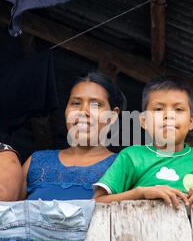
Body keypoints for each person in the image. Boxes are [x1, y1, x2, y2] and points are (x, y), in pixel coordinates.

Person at [93, 75, 193, 210]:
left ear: (191, 121)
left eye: (179, 109)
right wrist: (141, 193)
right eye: (158, 109)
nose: (169, 115)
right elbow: (97, 202)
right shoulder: (132, 156)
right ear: (144, 121)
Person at [21, 71, 126, 200]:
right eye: (76, 103)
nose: (83, 112)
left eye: (95, 105)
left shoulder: (124, 166)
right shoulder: (36, 162)